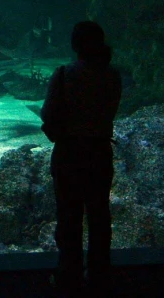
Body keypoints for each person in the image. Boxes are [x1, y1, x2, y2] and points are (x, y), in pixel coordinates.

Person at [41, 21, 122, 296]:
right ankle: (100, 278)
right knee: (99, 217)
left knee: (69, 219)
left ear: (75, 46)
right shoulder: (113, 76)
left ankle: (68, 278)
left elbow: (48, 116)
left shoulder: (64, 74)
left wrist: (59, 134)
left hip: (70, 154)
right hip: (100, 153)